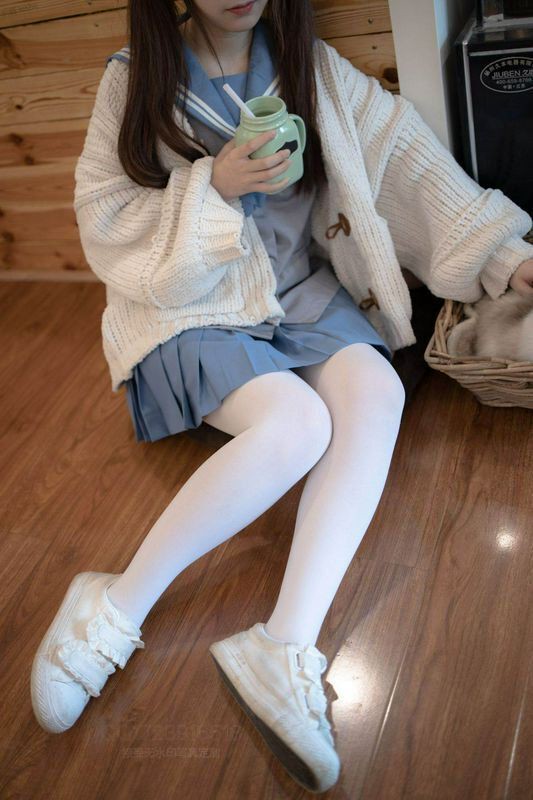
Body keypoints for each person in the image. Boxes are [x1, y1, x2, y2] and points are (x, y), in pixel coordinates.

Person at [30, 0, 533, 793]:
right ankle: (114, 605)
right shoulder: (134, 83)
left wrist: (506, 258)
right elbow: (106, 220)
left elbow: (405, 164)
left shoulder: (312, 69)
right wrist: (214, 186)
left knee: (376, 392)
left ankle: (284, 643)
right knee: (296, 425)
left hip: (300, 293)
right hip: (193, 306)